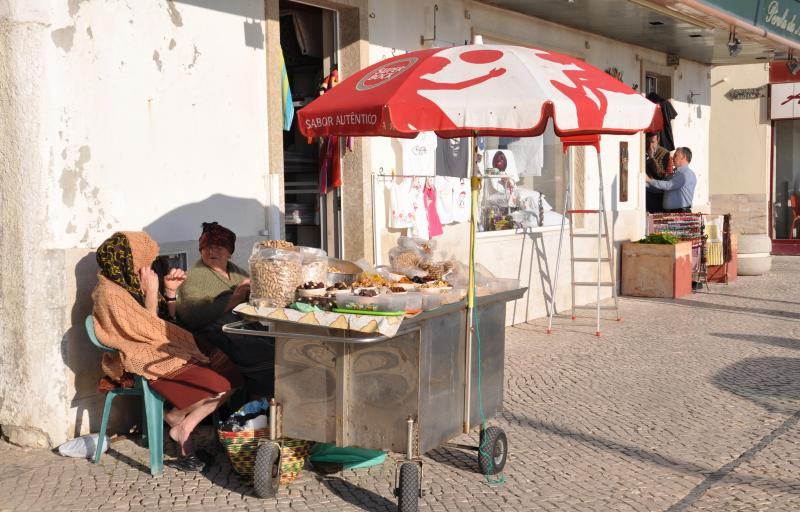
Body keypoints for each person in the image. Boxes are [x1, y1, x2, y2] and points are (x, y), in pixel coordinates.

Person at [91, 232, 242, 471]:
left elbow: (166, 322)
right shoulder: (109, 294)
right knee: (220, 383)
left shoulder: (128, 283)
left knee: (231, 371)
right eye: (144, 261)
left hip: (164, 347)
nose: (148, 267)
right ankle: (182, 428)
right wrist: (151, 293)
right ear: (128, 260)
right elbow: (147, 333)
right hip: (142, 357)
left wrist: (169, 293)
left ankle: (180, 420)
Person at [177, 222, 276, 398]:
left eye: (219, 247)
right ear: (200, 250)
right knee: (265, 356)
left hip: (239, 331)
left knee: (277, 345)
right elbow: (191, 316)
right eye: (207, 247)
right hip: (212, 338)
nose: (211, 252)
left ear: (229, 252)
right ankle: (258, 404)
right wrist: (235, 297)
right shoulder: (195, 276)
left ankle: (262, 402)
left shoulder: (237, 272)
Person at [646, 146, 697, 213]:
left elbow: (668, 185)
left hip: (680, 213)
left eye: (676, 155)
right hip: (675, 212)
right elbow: (662, 188)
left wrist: (649, 180)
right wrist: (646, 185)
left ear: (683, 157)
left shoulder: (684, 173)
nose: (673, 158)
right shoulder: (677, 173)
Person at [644, 133, 673, 213]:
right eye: (648, 142)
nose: (650, 145)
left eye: (652, 142)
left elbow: (661, 174)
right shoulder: (642, 150)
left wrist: (652, 157)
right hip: (645, 190)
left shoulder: (664, 153)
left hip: (657, 192)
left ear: (658, 140)